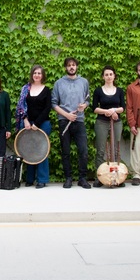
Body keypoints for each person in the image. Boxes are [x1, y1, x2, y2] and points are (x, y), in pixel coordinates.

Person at [52, 58, 91, 189]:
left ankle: (82, 178)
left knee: (83, 150)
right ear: (65, 68)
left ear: (77, 67)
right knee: (66, 151)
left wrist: (84, 106)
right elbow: (54, 104)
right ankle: (68, 178)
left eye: (73, 65)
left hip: (79, 120)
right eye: (69, 66)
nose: (71, 67)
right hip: (64, 121)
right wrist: (67, 115)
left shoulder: (84, 82)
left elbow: (88, 100)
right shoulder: (59, 83)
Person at [16, 64, 51, 189]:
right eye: (35, 73)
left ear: (43, 76)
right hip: (27, 124)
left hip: (43, 124)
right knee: (28, 150)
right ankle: (30, 179)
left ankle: (42, 179)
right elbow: (21, 106)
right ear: (32, 74)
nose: (37, 75)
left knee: (42, 151)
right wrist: (25, 120)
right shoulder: (26, 88)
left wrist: (37, 123)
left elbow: (48, 108)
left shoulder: (46, 90)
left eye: (39, 73)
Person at [92, 66, 126, 187]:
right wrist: (105, 112)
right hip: (102, 122)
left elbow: (123, 107)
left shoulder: (120, 91)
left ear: (114, 76)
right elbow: (94, 108)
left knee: (115, 150)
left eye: (111, 74)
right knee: (101, 150)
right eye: (106, 75)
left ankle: (117, 177)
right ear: (103, 77)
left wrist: (113, 111)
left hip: (116, 122)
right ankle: (100, 178)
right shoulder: (98, 91)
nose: (109, 77)